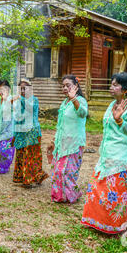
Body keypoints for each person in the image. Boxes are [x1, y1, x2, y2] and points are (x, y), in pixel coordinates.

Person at [81, 72, 127, 235]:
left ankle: (114, 226)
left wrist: (120, 120)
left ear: (126, 90)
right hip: (108, 154)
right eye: (111, 84)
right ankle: (97, 222)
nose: (111, 87)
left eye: (115, 85)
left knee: (115, 192)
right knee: (96, 187)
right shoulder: (111, 105)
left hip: (126, 157)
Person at [47, 75, 88, 203]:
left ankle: (72, 194)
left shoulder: (80, 100)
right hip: (62, 142)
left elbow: (82, 113)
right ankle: (60, 196)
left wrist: (74, 99)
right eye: (63, 85)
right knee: (57, 171)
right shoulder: (64, 103)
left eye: (68, 85)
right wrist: (54, 141)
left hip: (74, 143)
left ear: (76, 86)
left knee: (67, 172)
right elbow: (60, 124)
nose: (65, 88)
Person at [12, 78, 48, 188]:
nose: (22, 91)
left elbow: (29, 108)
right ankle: (21, 177)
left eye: (25, 88)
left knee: (31, 156)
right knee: (21, 154)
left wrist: (20, 99)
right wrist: (14, 134)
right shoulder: (18, 102)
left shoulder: (34, 100)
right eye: (20, 89)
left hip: (32, 132)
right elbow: (16, 118)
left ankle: (30, 179)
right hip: (21, 132)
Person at [0, 80, 15, 174]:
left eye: (2, 89)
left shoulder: (11, 100)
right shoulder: (0, 101)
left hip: (8, 131)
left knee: (4, 150)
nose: (0, 92)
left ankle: (4, 167)